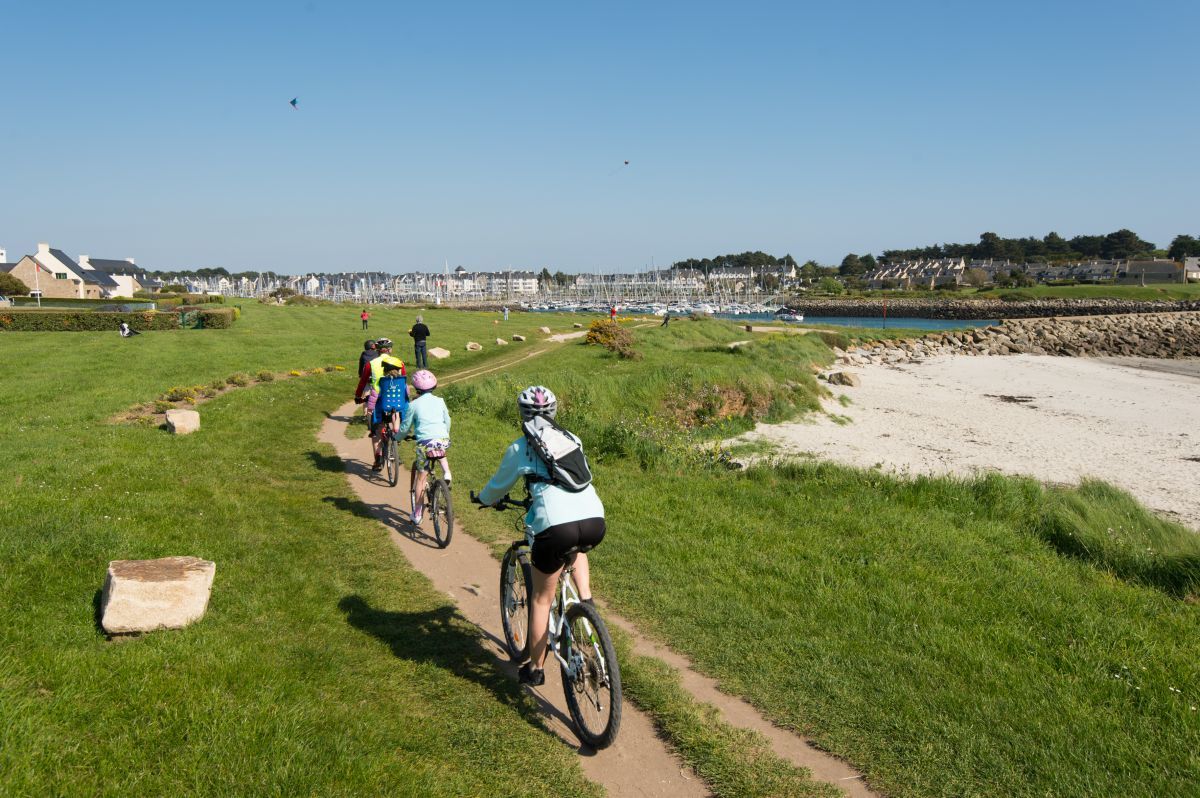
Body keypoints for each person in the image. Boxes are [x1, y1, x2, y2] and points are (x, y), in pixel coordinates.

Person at [476, 386, 605, 687]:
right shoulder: (572, 439)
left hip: (555, 527)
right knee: (576, 545)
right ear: (554, 411)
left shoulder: (520, 448)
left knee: (541, 598)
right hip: (594, 519)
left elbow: (497, 486)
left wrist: (483, 499)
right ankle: (586, 600)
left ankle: (535, 669)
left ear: (522, 414)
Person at [396, 369, 451, 525]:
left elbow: (405, 427)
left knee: (421, 478)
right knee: (440, 450)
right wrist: (445, 434)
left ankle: (418, 514)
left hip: (425, 444)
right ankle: (447, 472)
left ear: (416, 388)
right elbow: (447, 420)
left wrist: (397, 437)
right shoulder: (440, 401)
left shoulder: (413, 405)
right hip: (442, 440)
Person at [353, 338, 406, 469]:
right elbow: (403, 381)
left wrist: (358, 396)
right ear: (390, 350)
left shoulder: (370, 364)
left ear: (377, 350)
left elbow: (363, 382)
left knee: (376, 429)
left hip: (378, 400)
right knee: (395, 418)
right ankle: (396, 444)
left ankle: (378, 458)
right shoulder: (399, 362)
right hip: (396, 399)